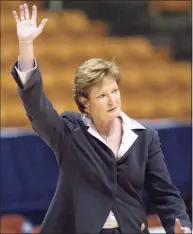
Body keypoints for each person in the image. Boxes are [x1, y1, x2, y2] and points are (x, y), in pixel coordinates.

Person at [11, 3, 191, 234]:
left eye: (115, 91)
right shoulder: (69, 133)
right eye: (102, 95)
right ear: (85, 102)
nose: (112, 100)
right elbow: (37, 109)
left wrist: (181, 225)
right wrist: (26, 45)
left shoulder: (145, 138)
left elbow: (165, 194)